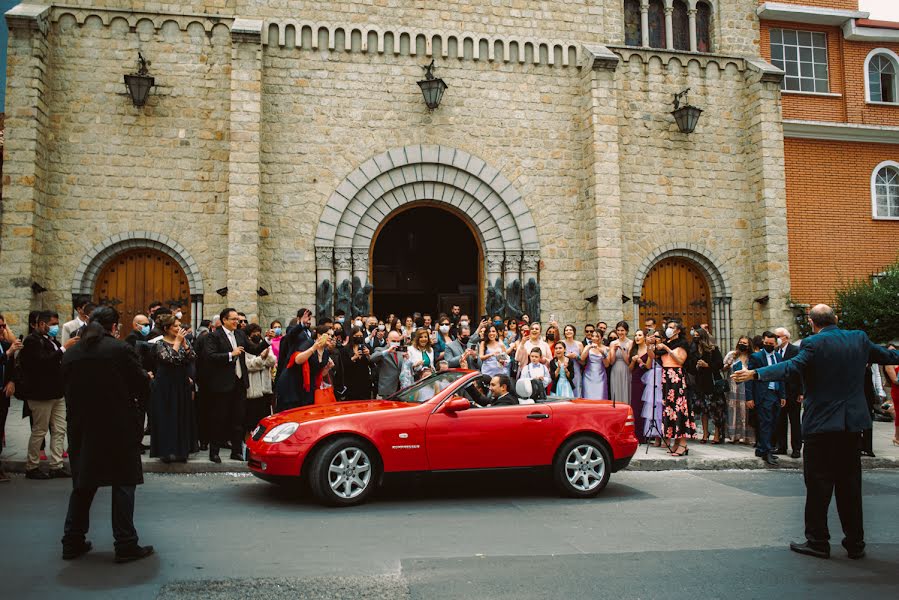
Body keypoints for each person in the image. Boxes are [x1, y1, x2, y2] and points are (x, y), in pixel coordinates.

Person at [735, 304, 899, 560]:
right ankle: (855, 543)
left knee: (818, 484)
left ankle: (818, 541)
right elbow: (889, 356)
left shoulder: (812, 344)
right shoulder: (858, 339)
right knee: (850, 485)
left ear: (812, 322)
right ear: (837, 318)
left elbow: (790, 368)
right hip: (851, 425)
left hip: (821, 425)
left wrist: (755, 373)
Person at [60, 306, 154, 563]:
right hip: (117, 426)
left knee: (83, 483)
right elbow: (141, 384)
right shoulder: (120, 349)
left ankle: (72, 540)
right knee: (123, 482)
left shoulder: (72, 353)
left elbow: (64, 387)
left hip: (82, 427)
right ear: (114, 327)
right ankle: (125, 543)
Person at [202, 308, 271, 463]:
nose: (237, 322)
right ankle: (214, 453)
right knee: (219, 419)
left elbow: (253, 349)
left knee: (238, 419)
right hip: (222, 384)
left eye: (238, 320)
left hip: (239, 383)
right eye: (233, 319)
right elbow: (210, 356)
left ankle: (236, 451)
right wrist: (230, 355)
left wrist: (266, 340)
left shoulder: (240, 334)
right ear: (224, 320)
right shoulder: (214, 336)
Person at [16, 311, 71, 479]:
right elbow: (42, 362)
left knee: (59, 429)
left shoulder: (50, 340)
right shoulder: (32, 341)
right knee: (39, 430)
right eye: (53, 324)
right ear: (42, 324)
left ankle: (56, 465)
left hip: (57, 392)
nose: (55, 327)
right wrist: (64, 348)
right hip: (40, 394)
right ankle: (32, 466)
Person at [148, 314, 197, 463]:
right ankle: (166, 451)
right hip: (165, 383)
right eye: (175, 326)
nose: (179, 328)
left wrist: (185, 345)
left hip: (181, 381)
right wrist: (177, 342)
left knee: (182, 414)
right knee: (166, 416)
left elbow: (192, 357)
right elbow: (169, 359)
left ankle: (182, 451)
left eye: (179, 325)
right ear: (166, 328)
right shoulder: (159, 344)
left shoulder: (184, 340)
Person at [651, 321, 693, 457]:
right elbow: (654, 356)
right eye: (667, 327)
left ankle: (683, 443)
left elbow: (681, 361)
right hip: (666, 377)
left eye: (671, 327)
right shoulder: (667, 343)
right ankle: (676, 441)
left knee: (679, 409)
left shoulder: (682, 343)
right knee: (670, 409)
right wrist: (648, 345)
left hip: (677, 377)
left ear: (678, 330)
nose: (668, 329)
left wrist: (668, 349)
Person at [745, 331, 786, 466]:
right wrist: (749, 397)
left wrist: (783, 395)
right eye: (766, 343)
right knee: (765, 422)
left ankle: (763, 448)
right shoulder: (756, 357)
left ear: (776, 344)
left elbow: (782, 376)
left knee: (774, 421)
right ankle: (766, 451)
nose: (768, 345)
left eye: (771, 344)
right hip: (763, 394)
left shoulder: (779, 357)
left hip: (775, 392)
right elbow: (749, 378)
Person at [691, 327, 726, 444]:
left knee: (716, 410)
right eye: (694, 335)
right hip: (700, 383)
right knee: (703, 410)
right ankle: (705, 433)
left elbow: (719, 364)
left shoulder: (712, 349)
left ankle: (717, 433)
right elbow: (690, 367)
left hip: (712, 383)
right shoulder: (694, 350)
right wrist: (696, 366)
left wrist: (707, 365)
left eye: (697, 336)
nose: (695, 338)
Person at [0, 314, 23, 482]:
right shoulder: (6, 349)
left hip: (3, 394)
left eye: (3, 326)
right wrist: (8, 353)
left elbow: (12, 368)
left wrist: (12, 381)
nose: (2, 329)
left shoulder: (4, 345)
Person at [774, 327, 803, 458]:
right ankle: (782, 446)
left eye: (779, 336)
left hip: (793, 391)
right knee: (780, 420)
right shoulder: (776, 351)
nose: (777, 339)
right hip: (780, 392)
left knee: (795, 420)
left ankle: (796, 448)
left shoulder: (795, 350)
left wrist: (801, 392)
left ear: (786, 337)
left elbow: (800, 372)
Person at [244, 324, 277, 432]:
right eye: (254, 332)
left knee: (265, 418)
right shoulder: (246, 347)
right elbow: (248, 365)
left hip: (266, 388)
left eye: (258, 332)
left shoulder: (265, 345)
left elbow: (272, 361)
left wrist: (266, 356)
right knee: (252, 419)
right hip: (253, 389)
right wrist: (261, 358)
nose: (257, 334)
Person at [723, 336, 755, 445]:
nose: (742, 344)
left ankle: (745, 436)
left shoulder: (752, 357)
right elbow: (723, 368)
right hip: (733, 387)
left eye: (745, 343)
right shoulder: (732, 354)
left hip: (745, 387)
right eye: (740, 342)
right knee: (732, 410)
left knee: (744, 411)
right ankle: (733, 436)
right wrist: (727, 365)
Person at [641, 335, 665, 446]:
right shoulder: (652, 349)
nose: (654, 338)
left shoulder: (664, 349)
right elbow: (649, 363)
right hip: (653, 377)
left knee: (661, 405)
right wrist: (649, 345)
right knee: (653, 404)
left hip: (662, 376)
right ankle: (656, 435)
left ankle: (664, 434)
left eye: (656, 337)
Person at [338, 326, 373, 399]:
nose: (359, 337)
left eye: (361, 336)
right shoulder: (345, 349)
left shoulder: (366, 347)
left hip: (364, 381)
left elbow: (372, 364)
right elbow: (343, 365)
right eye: (356, 336)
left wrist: (368, 355)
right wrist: (354, 358)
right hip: (351, 382)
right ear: (352, 336)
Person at [371, 330, 409, 397]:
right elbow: (372, 358)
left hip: (400, 389)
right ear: (387, 340)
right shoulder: (380, 350)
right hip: (387, 389)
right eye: (394, 341)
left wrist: (407, 359)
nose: (396, 343)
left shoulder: (400, 352)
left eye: (398, 341)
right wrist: (387, 351)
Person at [628, 329, 650, 441]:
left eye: (640, 335)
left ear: (645, 337)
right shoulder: (633, 350)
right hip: (636, 379)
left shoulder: (649, 350)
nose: (637, 337)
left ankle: (647, 433)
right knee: (636, 406)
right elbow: (630, 369)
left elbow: (649, 367)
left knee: (646, 405)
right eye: (635, 335)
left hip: (647, 380)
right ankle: (638, 434)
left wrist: (641, 362)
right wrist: (633, 361)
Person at [607, 321, 633, 405]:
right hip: (615, 369)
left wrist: (622, 350)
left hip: (626, 369)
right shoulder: (613, 343)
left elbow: (628, 362)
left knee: (626, 389)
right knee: (616, 390)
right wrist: (614, 351)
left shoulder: (630, 343)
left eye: (622, 330)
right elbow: (611, 362)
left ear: (626, 331)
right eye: (618, 330)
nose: (620, 332)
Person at [580, 330, 610, 400]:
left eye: (597, 336)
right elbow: (582, 358)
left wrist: (603, 353)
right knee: (588, 397)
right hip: (588, 376)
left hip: (601, 376)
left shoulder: (606, 348)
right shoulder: (587, 346)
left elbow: (607, 365)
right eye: (593, 336)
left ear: (602, 338)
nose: (594, 338)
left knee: (600, 397)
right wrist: (589, 348)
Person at [561, 325, 584, 397]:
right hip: (564, 370)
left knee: (576, 391)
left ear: (574, 332)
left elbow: (583, 362)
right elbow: (556, 357)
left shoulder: (579, 344)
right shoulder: (561, 343)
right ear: (564, 333)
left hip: (576, 370)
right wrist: (566, 356)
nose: (568, 331)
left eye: (570, 330)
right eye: (566, 330)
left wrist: (576, 357)